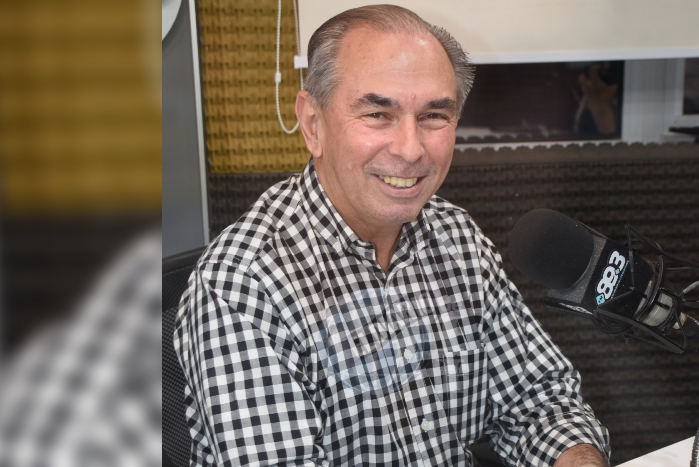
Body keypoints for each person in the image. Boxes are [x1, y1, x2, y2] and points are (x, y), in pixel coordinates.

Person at [174, 5, 610, 466]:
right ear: (313, 124)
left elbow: (540, 401)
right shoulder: (242, 286)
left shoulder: (455, 235)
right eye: (378, 114)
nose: (410, 149)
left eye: (433, 116)